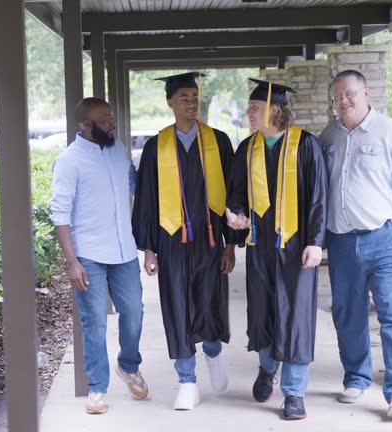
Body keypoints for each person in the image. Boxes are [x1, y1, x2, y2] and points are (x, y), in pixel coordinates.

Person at [319, 69, 392, 419]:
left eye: (350, 94)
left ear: (366, 93)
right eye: (338, 95)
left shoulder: (390, 132)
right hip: (341, 241)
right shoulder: (329, 135)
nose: (344, 100)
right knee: (347, 313)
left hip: (386, 238)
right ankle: (356, 376)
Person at [132, 72, 237, 410]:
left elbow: (233, 196)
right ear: (170, 103)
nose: (191, 103)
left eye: (194, 97)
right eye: (183, 98)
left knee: (209, 302)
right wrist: (148, 248)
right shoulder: (156, 146)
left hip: (208, 238)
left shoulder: (218, 141)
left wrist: (230, 243)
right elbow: (146, 199)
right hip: (170, 241)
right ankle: (187, 380)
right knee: (176, 307)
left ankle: (214, 351)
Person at [225, 78, 328, 421]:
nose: (249, 114)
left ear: (274, 110)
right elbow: (237, 193)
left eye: (254, 108)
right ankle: (267, 369)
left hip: (297, 246)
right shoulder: (247, 148)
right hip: (260, 246)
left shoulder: (306, 145)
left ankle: (295, 392)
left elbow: (318, 198)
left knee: (296, 315)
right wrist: (235, 214)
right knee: (263, 310)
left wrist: (316, 241)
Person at [49, 97, 148, 415]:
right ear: (85, 125)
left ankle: (128, 364)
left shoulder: (117, 149)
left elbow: (135, 184)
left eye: (111, 116)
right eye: (105, 119)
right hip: (89, 254)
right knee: (95, 324)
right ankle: (97, 389)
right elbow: (60, 213)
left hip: (124, 250)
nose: (112, 122)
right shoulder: (69, 161)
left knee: (134, 311)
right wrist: (72, 261)